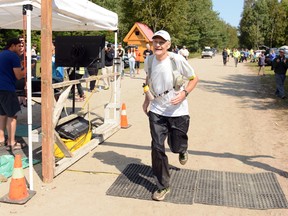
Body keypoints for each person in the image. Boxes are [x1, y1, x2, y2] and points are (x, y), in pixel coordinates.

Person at [142, 30, 198, 201]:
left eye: (161, 42)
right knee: (157, 147)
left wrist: (184, 93)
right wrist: (146, 100)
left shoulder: (177, 59)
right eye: (155, 42)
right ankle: (163, 186)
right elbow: (148, 79)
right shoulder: (149, 60)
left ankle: (182, 149)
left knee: (175, 145)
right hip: (157, 110)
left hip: (178, 111)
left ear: (168, 44)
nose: (157, 45)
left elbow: (194, 78)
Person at [0, 38, 27, 151]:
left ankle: (1, 139)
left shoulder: (2, 54)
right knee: (12, 115)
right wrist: (27, 69)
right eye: (19, 45)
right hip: (7, 89)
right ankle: (11, 142)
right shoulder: (13, 56)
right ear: (12, 46)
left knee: (2, 114)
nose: (20, 48)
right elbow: (18, 75)